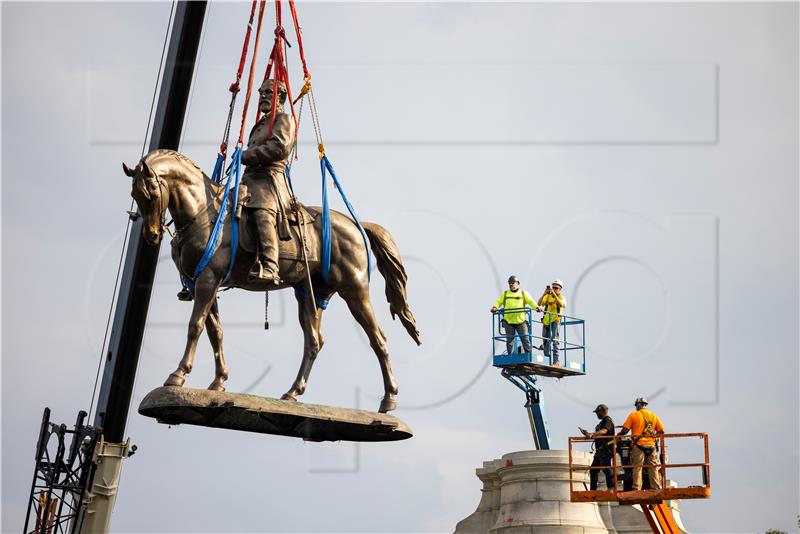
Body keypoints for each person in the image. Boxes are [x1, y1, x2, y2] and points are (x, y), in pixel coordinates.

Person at [240, 78, 296, 283]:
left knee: (262, 213)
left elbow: (278, 148)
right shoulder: (259, 125)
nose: (263, 96)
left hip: (269, 181)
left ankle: (271, 266)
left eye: (268, 93)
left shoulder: (283, 119)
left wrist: (245, 156)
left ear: (279, 97)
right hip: (249, 179)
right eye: (261, 92)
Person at [617, 396, 664, 491]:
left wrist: (618, 435)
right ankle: (655, 488)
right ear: (645, 405)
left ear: (638, 405)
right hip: (651, 446)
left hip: (638, 446)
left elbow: (625, 430)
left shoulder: (633, 415)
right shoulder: (653, 416)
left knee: (637, 468)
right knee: (653, 468)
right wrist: (654, 437)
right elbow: (661, 431)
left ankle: (636, 488)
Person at [490, 275, 541, 355]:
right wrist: (494, 307)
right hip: (509, 321)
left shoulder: (524, 294)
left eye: (513, 283)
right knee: (510, 340)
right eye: (510, 283)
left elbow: (531, 301)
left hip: (520, 321)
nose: (511, 285)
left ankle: (529, 355)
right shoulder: (505, 294)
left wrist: (537, 307)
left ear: (518, 283)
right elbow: (498, 302)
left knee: (525, 338)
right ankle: (510, 356)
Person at [580, 404, 616, 491]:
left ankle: (611, 489)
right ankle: (593, 490)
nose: (597, 414)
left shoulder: (607, 420)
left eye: (597, 412)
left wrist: (592, 434)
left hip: (605, 450)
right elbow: (600, 433)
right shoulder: (603, 422)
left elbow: (604, 431)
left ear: (602, 411)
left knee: (607, 470)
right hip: (600, 451)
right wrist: (588, 433)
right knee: (593, 471)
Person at [537, 279, 566, 366]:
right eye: (553, 287)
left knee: (555, 340)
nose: (554, 289)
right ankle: (547, 360)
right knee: (545, 341)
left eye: (556, 288)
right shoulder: (547, 297)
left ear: (560, 289)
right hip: (546, 321)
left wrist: (554, 295)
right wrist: (544, 293)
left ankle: (556, 361)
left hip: (555, 321)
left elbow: (561, 305)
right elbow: (539, 303)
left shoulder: (561, 298)